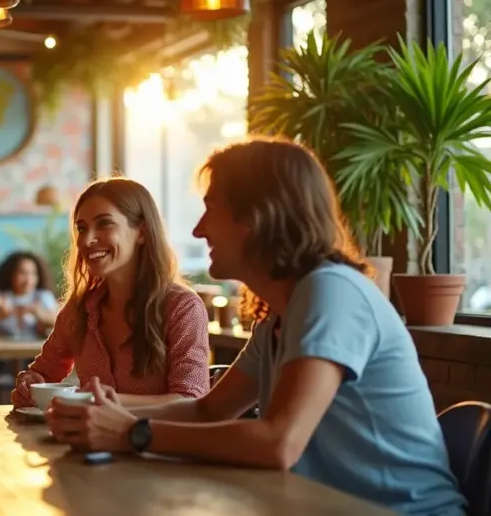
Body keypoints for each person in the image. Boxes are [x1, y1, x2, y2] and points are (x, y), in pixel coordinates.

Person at [47, 139, 467, 516]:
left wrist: (133, 433)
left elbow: (278, 442)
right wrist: (111, 418)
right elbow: (207, 409)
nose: (198, 228)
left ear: (257, 216)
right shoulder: (280, 316)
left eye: (212, 208)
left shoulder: (331, 292)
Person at [11, 177, 210, 408]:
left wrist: (103, 402)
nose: (87, 239)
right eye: (82, 228)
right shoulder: (79, 310)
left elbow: (190, 401)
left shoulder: (183, 308)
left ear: (142, 233)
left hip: (158, 443)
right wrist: (30, 384)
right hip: (87, 443)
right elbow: (44, 374)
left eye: (104, 224)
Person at [0, 251, 59, 339]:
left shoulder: (43, 296)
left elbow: (60, 324)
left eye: (33, 274)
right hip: (4, 349)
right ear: (10, 274)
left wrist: (41, 315)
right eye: (22, 273)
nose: (28, 279)